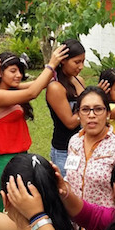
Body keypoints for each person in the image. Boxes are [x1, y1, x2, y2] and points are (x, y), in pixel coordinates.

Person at [0, 46, 68, 214]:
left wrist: (57, 67)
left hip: (20, 156)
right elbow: (32, 92)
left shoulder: (13, 90)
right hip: (4, 160)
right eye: (13, 71)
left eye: (20, 71)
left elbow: (39, 83)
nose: (18, 75)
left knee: (20, 212)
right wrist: (51, 64)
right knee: (5, 210)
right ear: (0, 73)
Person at [65, 86, 115, 230]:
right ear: (78, 114)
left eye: (98, 109)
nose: (91, 115)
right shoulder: (74, 142)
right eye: (85, 110)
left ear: (108, 114)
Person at [45, 39, 87, 176]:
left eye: (83, 62)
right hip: (64, 151)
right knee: (66, 192)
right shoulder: (55, 87)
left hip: (83, 147)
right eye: (77, 62)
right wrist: (90, 109)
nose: (81, 66)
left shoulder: (78, 81)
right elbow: (70, 122)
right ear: (63, 60)